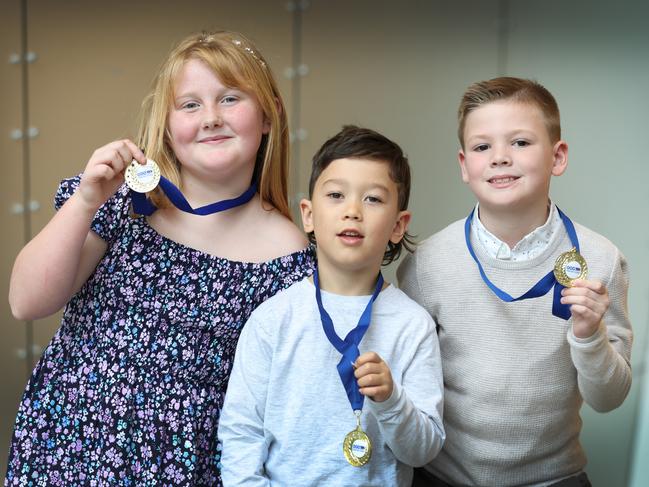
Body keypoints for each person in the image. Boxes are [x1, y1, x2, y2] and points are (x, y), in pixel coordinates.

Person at [6, 31, 314, 486]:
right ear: (167, 125)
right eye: (190, 105)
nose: (210, 118)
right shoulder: (121, 201)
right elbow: (25, 302)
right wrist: (87, 199)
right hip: (67, 446)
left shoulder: (288, 254)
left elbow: (284, 400)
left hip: (183, 466)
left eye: (230, 98)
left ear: (268, 115)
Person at [398, 77, 632, 487]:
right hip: (443, 477)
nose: (500, 157)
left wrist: (590, 335)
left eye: (520, 143)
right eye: (482, 146)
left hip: (554, 479)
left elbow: (608, 399)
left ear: (558, 157)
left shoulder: (600, 260)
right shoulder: (427, 264)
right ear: (463, 165)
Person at [218, 125, 445, 486]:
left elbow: (423, 451)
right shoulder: (272, 319)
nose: (352, 210)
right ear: (308, 215)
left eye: (373, 199)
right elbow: (240, 436)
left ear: (398, 225)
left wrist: (391, 400)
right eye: (336, 195)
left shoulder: (412, 325)